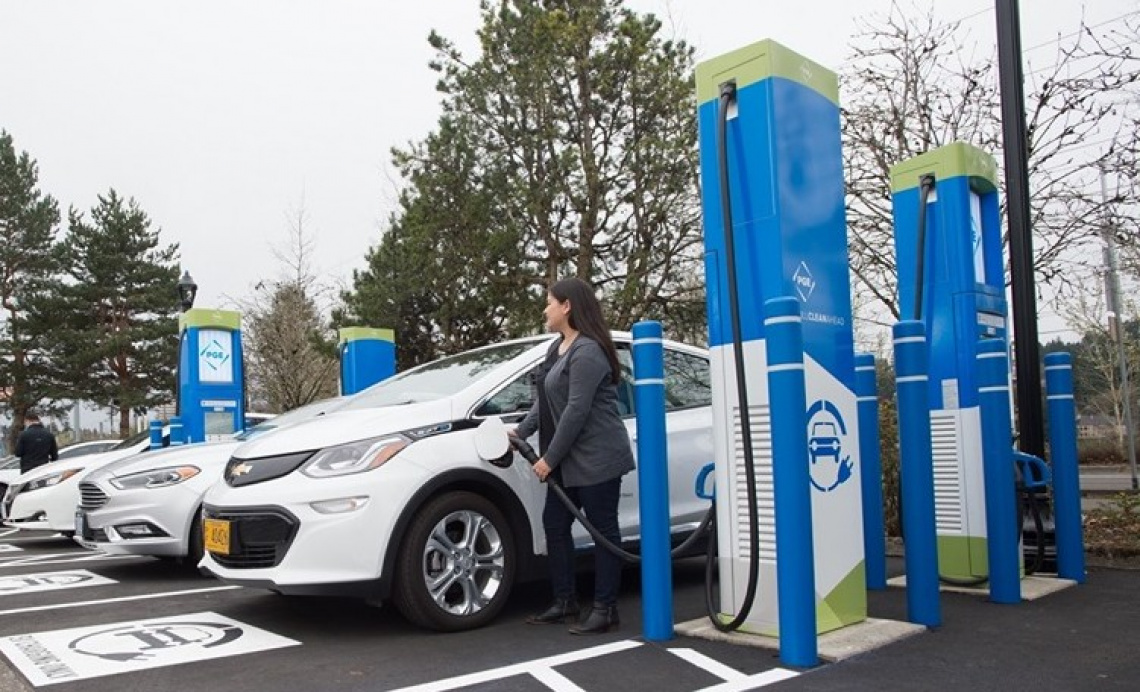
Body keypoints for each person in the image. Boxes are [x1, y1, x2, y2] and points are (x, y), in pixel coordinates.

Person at [512, 277, 635, 635]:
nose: (545, 309)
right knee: (555, 524)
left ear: (567, 306)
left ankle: (605, 608)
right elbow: (546, 404)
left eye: (549, 302)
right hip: (569, 461)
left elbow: (576, 411)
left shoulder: (589, 351)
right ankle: (565, 601)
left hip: (598, 458)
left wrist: (548, 458)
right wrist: (520, 432)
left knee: (604, 532)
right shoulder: (558, 349)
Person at [15, 410, 59, 475]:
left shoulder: (24, 435)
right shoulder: (49, 435)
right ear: (38, 420)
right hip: (43, 468)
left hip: (27, 468)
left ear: (27, 421)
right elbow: (54, 455)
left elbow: (18, 453)